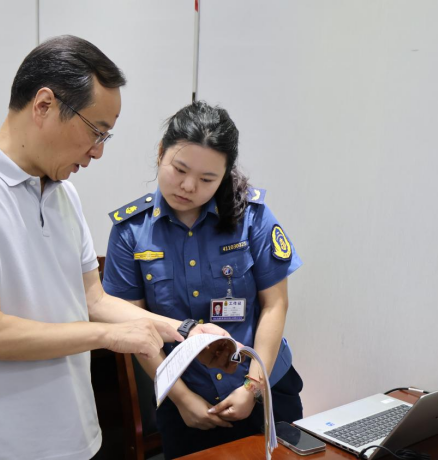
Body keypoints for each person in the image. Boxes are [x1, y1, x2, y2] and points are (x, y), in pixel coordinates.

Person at [0, 36, 233, 460]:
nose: (97, 151)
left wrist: (183, 332)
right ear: (44, 105)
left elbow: (93, 300)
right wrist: (110, 336)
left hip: (74, 435)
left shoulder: (64, 194)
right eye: (95, 131)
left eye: (106, 136)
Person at [103, 101, 305, 459]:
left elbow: (275, 305)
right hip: (186, 402)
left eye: (207, 179)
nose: (188, 186)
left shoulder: (253, 217)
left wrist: (253, 387)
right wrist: (182, 399)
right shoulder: (130, 232)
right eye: (179, 169)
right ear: (161, 153)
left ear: (224, 175)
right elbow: (134, 327)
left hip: (265, 390)